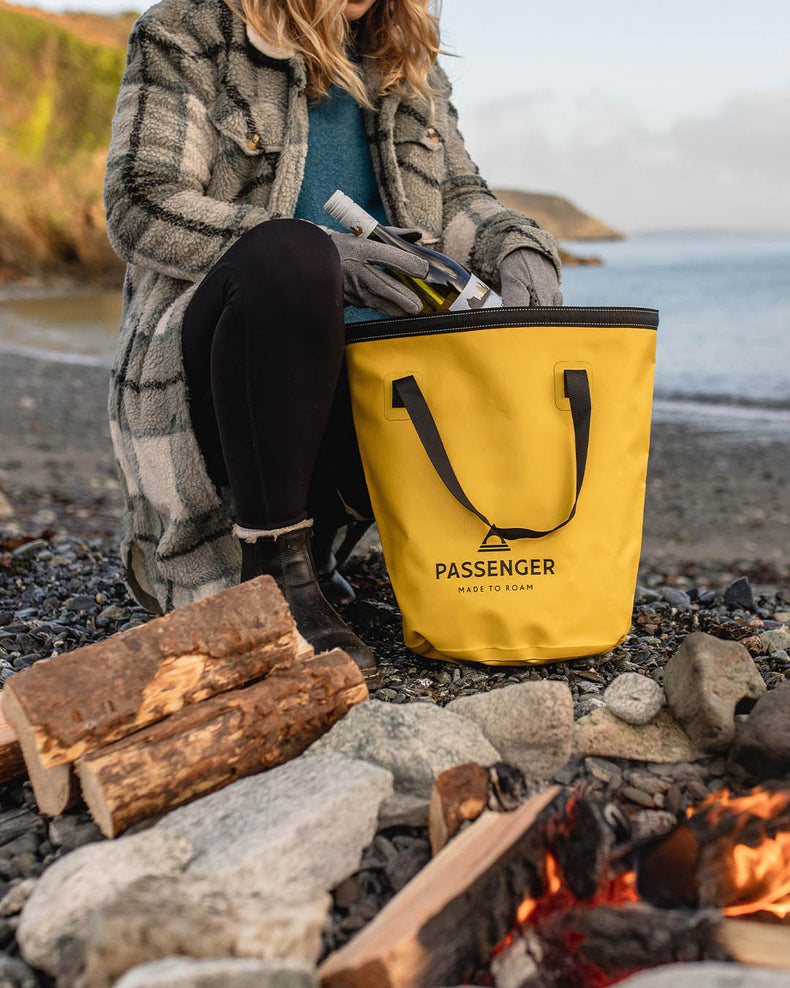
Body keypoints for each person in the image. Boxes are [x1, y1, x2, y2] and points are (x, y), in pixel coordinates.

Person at [104, 0, 562, 684]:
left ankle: (327, 549)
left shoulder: (405, 57)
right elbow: (140, 200)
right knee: (290, 255)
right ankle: (273, 569)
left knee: (456, 343)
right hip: (226, 382)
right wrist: (327, 255)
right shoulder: (188, 31)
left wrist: (523, 250)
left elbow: (463, 199)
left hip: (368, 393)